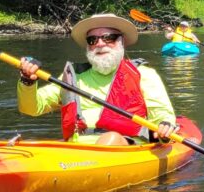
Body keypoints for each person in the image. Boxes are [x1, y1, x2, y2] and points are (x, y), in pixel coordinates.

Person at [17, 13, 177, 145]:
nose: (99, 44)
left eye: (109, 38)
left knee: (110, 139)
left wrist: (164, 127)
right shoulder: (73, 76)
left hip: (124, 146)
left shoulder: (143, 74)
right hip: (77, 150)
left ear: (122, 42)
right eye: (92, 40)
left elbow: (161, 113)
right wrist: (27, 81)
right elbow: (31, 108)